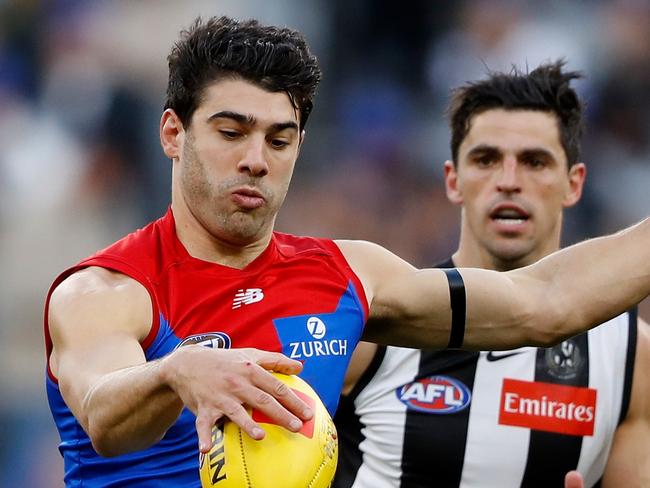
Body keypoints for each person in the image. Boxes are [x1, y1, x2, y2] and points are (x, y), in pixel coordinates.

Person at [43, 17, 650, 487]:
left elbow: (546, 302)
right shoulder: (106, 291)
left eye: (280, 139)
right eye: (232, 133)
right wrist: (176, 372)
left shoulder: (348, 276)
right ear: (174, 133)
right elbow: (102, 415)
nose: (257, 158)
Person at [333, 62, 649, 488]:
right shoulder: (379, 322)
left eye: (534, 162)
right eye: (486, 159)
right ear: (453, 180)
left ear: (574, 184)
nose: (508, 181)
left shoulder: (631, 352)